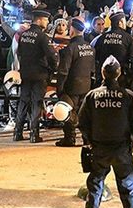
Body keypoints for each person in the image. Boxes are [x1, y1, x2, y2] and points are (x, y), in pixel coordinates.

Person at [78, 56, 133, 208]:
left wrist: (90, 142)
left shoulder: (92, 96)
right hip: (122, 150)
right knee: (128, 190)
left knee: (95, 189)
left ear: (102, 73)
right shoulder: (128, 96)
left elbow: (82, 123)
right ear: (119, 74)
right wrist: (130, 140)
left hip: (99, 150)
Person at [14, 10, 58, 143]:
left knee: (23, 102)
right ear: (39, 20)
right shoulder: (42, 36)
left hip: (26, 73)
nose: (48, 22)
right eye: (46, 19)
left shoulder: (24, 35)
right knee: (36, 103)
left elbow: (20, 52)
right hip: (39, 74)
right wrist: (53, 68)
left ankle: (17, 132)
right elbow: (51, 55)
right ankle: (34, 134)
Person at [55, 18, 96, 147]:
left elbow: (63, 71)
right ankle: (87, 139)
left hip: (71, 86)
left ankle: (69, 138)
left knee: (67, 112)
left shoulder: (70, 49)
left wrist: (60, 88)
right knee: (85, 114)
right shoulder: (90, 48)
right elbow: (93, 70)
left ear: (72, 30)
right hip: (86, 85)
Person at [91, 11, 133, 88]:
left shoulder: (101, 38)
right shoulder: (128, 38)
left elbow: (95, 58)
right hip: (121, 79)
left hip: (103, 79)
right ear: (120, 22)